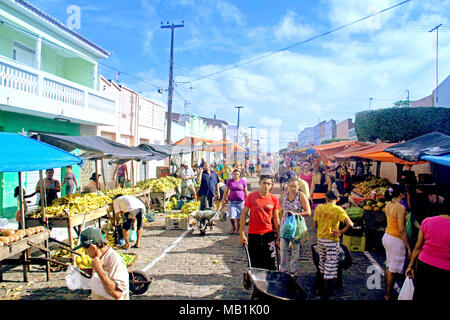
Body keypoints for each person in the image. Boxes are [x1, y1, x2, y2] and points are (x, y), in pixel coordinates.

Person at [405, 194, 449, 301]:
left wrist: (410, 266)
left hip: (424, 264)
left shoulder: (428, 221)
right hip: (445, 268)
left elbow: (418, 247)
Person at [313, 191, 354, 300]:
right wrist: (341, 231)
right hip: (332, 241)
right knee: (330, 268)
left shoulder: (319, 207)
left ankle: (319, 288)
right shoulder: (338, 210)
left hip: (320, 240)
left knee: (322, 263)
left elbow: (315, 224)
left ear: (326, 197)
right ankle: (325, 295)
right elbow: (350, 224)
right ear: (338, 199)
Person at [73, 227, 129, 300]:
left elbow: (117, 294)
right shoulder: (97, 259)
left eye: (85, 249)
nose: (85, 253)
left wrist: (99, 270)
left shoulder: (114, 260)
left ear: (93, 247)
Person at [240, 175, 281, 272]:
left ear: (271, 185)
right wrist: (242, 233)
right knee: (254, 261)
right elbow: (244, 215)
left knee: (270, 261)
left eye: (268, 184)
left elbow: (276, 218)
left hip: (269, 234)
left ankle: (268, 283)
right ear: (259, 183)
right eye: (264, 183)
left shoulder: (274, 199)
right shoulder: (251, 197)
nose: (266, 186)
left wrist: (279, 235)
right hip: (254, 234)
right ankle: (254, 282)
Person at [382, 184, 412, 301]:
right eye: (404, 192)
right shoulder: (400, 208)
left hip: (387, 236)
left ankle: (387, 291)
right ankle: (388, 294)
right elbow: (402, 229)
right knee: (392, 269)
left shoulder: (388, 205)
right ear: (400, 194)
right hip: (395, 239)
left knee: (389, 265)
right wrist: (408, 246)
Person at [279, 178, 311, 276]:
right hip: (285, 224)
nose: (292, 188)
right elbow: (281, 209)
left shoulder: (301, 196)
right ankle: (283, 269)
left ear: (299, 187)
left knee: (295, 249)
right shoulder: (285, 195)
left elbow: (308, 212)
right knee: (283, 247)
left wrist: (295, 214)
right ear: (288, 186)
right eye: (291, 186)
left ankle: (293, 270)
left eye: (295, 186)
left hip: (296, 224)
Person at [222, 169, 248, 235]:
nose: (236, 176)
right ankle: (233, 226)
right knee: (232, 216)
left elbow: (245, 191)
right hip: (232, 202)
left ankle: (238, 229)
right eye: (234, 174)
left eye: (237, 174)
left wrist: (248, 200)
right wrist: (223, 199)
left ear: (239, 175)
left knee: (239, 217)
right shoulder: (230, 181)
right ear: (232, 174)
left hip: (241, 202)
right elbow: (226, 191)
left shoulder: (243, 181)